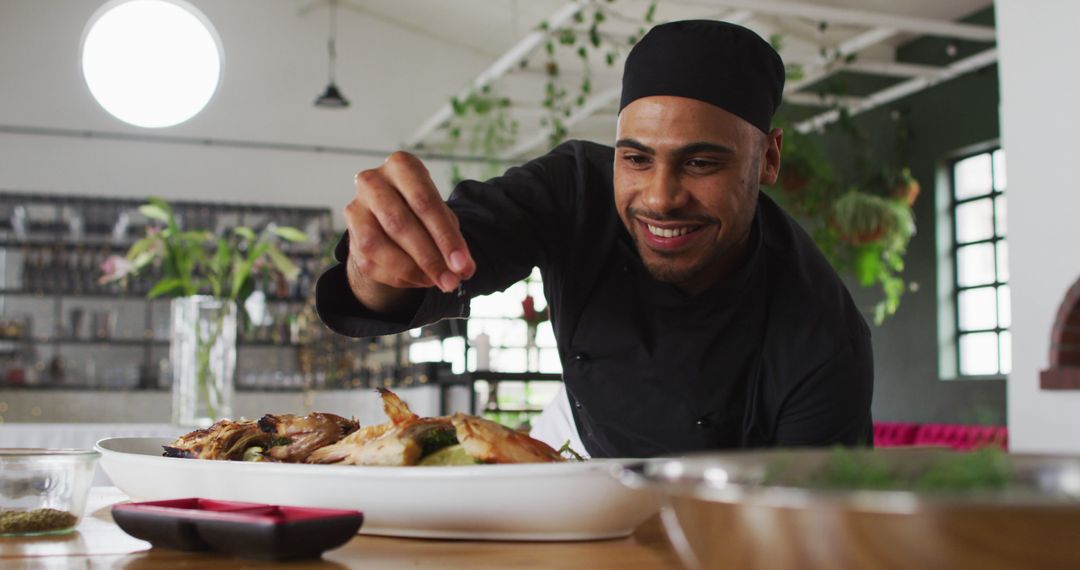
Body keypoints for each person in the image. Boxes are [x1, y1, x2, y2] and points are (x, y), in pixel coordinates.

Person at [315, 20, 873, 458]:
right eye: (635, 158)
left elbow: (811, 530)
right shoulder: (575, 188)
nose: (659, 198)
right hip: (577, 440)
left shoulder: (822, 337)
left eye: (701, 162)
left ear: (768, 158)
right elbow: (433, 264)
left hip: (719, 508)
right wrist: (376, 267)